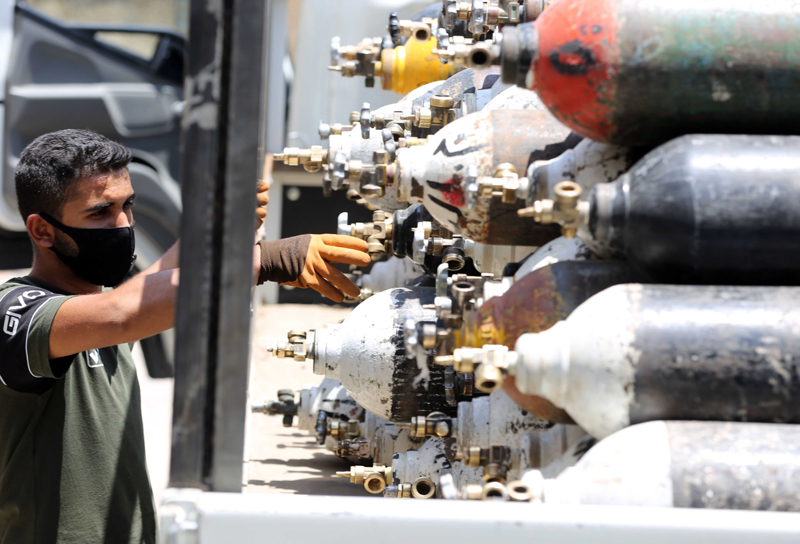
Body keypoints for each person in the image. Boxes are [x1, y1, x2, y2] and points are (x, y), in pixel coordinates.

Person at [0, 129, 371, 544]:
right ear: (42, 230)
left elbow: (145, 291)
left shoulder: (98, 308)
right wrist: (262, 261)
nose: (122, 225)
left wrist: (219, 221)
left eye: (128, 206)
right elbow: (123, 313)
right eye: (100, 212)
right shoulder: (17, 311)